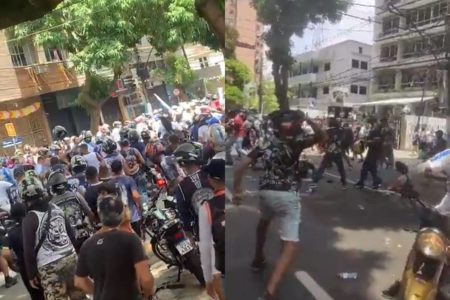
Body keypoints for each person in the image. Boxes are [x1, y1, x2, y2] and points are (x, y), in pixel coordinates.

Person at [233, 110, 324, 300]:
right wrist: (308, 119)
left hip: (265, 192)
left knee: (264, 221)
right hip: (287, 194)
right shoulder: (297, 142)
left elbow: (241, 166)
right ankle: (270, 291)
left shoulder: (265, 143)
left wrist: (236, 191)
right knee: (291, 244)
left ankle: (258, 258)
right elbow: (322, 136)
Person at [20, 172, 87, 300]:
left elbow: (28, 251)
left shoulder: (29, 219)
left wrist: (31, 274)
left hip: (49, 266)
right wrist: (74, 253)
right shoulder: (56, 207)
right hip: (70, 257)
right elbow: (71, 234)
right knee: (79, 295)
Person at [74, 195, 154, 300]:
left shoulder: (87, 245)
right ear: (122, 213)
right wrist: (148, 293)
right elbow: (146, 279)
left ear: (100, 215)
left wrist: (100, 292)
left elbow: (80, 282)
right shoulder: (130, 239)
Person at [47, 171, 94, 252]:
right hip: (84, 234)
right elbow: (89, 213)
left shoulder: (51, 204)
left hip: (68, 241)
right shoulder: (76, 195)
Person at [199, 159, 225, 300]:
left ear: (211, 180)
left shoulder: (207, 208)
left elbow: (205, 247)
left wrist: (208, 280)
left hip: (222, 272)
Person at [173, 143, 212, 236]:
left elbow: (184, 215)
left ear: (182, 163)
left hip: (203, 232)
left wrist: (189, 235)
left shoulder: (181, 187)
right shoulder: (211, 173)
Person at [8, 203, 44, 299]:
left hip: (25, 269)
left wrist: (18, 268)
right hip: (42, 263)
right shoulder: (35, 225)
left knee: (35, 295)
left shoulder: (11, 233)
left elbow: (13, 256)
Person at [310, 118, 347, 191]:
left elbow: (324, 140)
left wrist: (322, 148)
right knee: (341, 169)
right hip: (338, 152)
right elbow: (343, 140)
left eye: (328, 122)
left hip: (330, 152)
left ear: (330, 123)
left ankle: (314, 183)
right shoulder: (341, 131)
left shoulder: (328, 131)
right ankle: (344, 184)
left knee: (321, 168)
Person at [108, 160, 142, 236]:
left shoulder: (109, 184)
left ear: (112, 170)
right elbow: (136, 196)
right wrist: (140, 207)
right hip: (132, 216)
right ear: (122, 168)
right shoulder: (129, 179)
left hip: (120, 220)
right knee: (138, 240)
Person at [355, 117, 383, 189]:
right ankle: (376, 181)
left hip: (374, 152)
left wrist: (367, 142)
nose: (368, 125)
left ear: (372, 123)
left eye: (369, 123)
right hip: (373, 152)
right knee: (371, 168)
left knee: (366, 167)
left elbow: (377, 142)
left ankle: (363, 182)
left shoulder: (375, 131)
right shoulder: (374, 131)